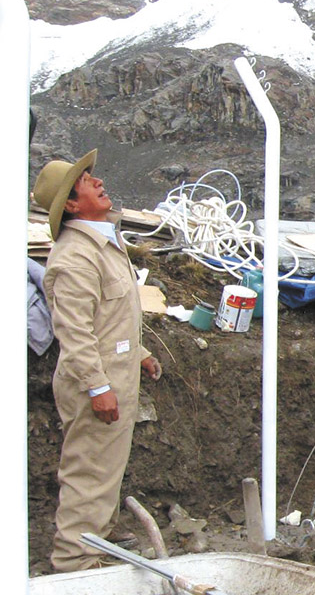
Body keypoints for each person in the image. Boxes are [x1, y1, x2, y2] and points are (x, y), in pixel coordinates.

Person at [34, 149, 163, 571]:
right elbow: (73, 333)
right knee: (89, 473)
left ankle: (98, 536)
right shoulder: (74, 258)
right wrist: (98, 387)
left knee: (106, 468)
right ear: (71, 204)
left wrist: (139, 353)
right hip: (96, 384)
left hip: (114, 376)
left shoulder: (104, 243)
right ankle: (74, 560)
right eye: (87, 181)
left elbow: (109, 318)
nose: (98, 182)